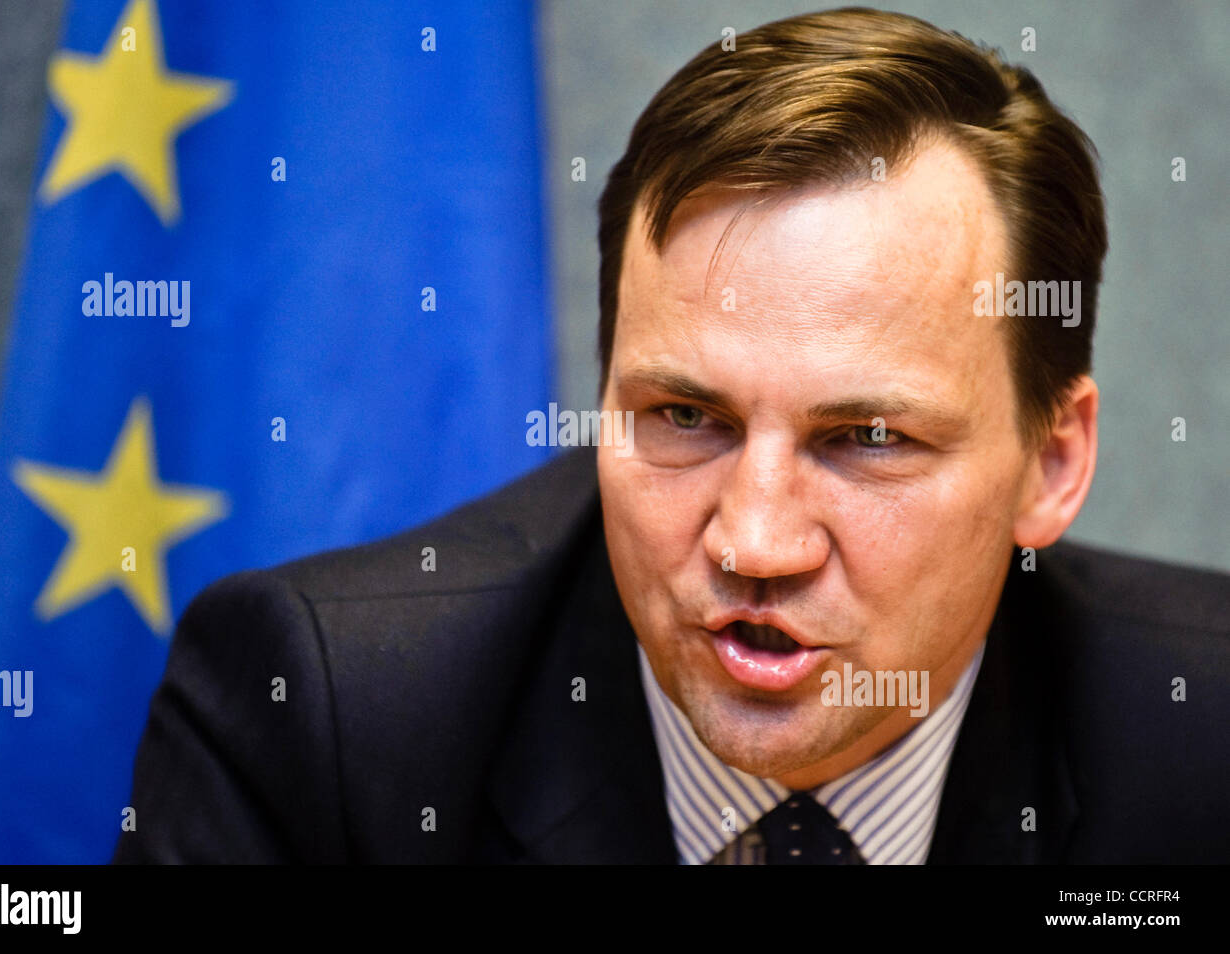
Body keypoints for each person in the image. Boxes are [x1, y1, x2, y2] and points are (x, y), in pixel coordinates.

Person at [113, 7, 1230, 864]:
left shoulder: (1198, 736)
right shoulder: (325, 720)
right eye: (684, 418)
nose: (753, 541)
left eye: (868, 437)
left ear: (1053, 459)